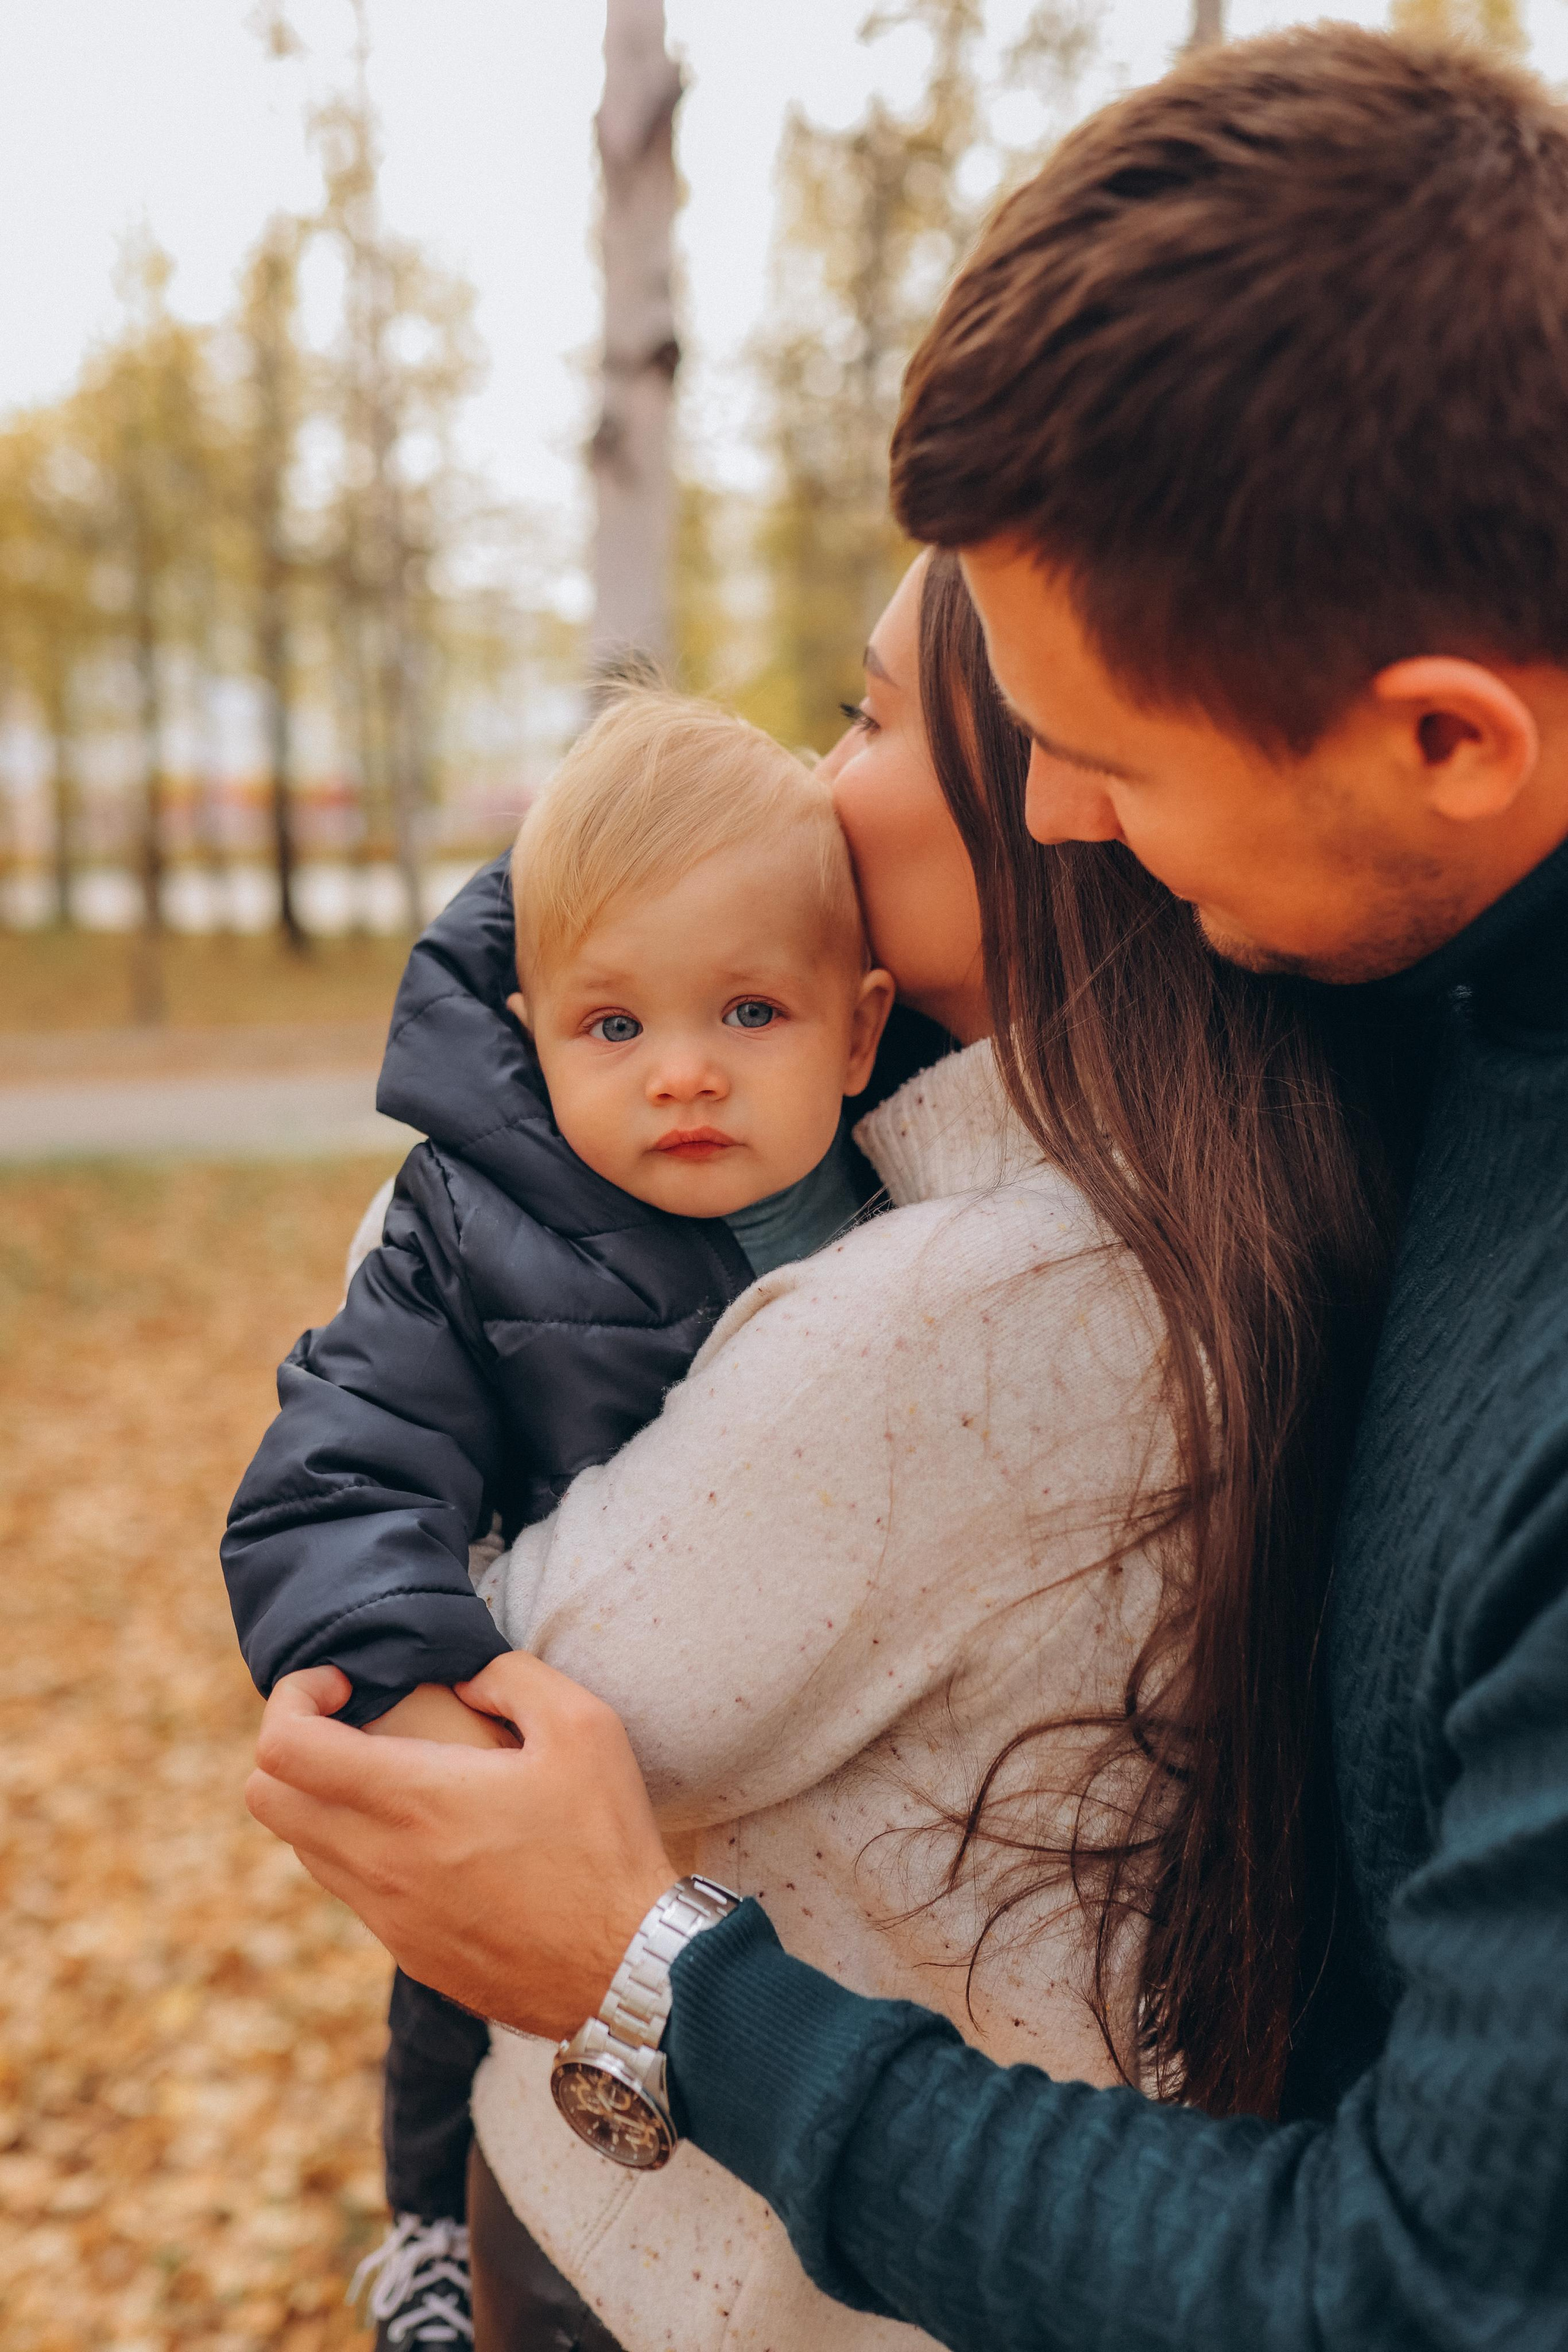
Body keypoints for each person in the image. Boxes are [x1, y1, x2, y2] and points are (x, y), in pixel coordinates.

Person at [251, 24, 1568, 2349]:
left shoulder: (1080, 1268)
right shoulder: (1389, 997)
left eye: (1105, 755)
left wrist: (667, 1987)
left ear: (1450, 738)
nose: (1068, 824)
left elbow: (1433, 2292)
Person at [250, 535, 1407, 2352]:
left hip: (701, 2273)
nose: (814, 778)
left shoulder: (970, 1304)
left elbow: (515, 1733)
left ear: (1057, 796)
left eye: (863, 718)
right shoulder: (1180, 1184)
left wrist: (438, 1224)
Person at [224, 693, 904, 2346]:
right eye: (613, 1028)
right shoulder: (470, 1224)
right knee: (461, 1978)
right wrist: (406, 1682)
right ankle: (426, 2227)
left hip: (818, 1777)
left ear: (860, 1029)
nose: (682, 1072)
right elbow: (343, 1455)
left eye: (749, 1010)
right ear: (529, 1028)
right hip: (541, 1707)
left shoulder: (918, 1200)